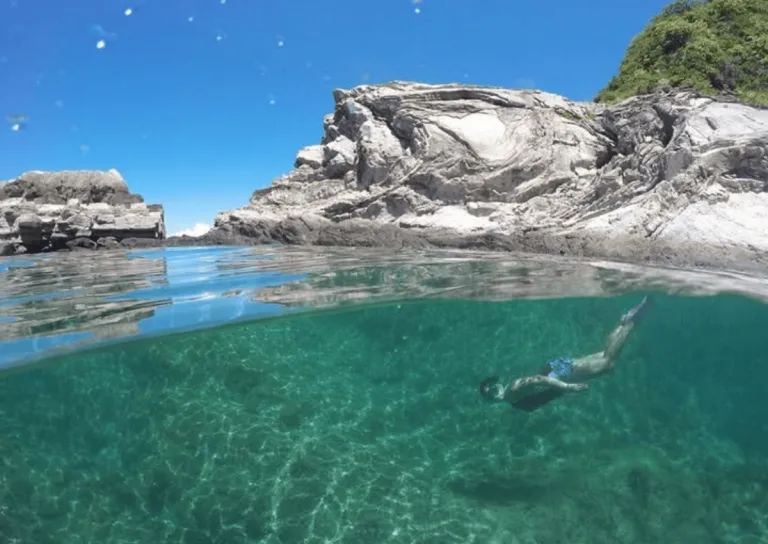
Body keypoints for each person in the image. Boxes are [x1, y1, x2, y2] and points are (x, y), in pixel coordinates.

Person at [479, 296, 651, 412]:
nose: (495, 392)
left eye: (493, 388)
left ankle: (634, 320)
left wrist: (568, 387)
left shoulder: (513, 389)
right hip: (556, 371)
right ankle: (624, 321)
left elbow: (537, 380)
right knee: (604, 356)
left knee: (607, 362)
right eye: (491, 391)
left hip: (556, 373)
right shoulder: (512, 400)